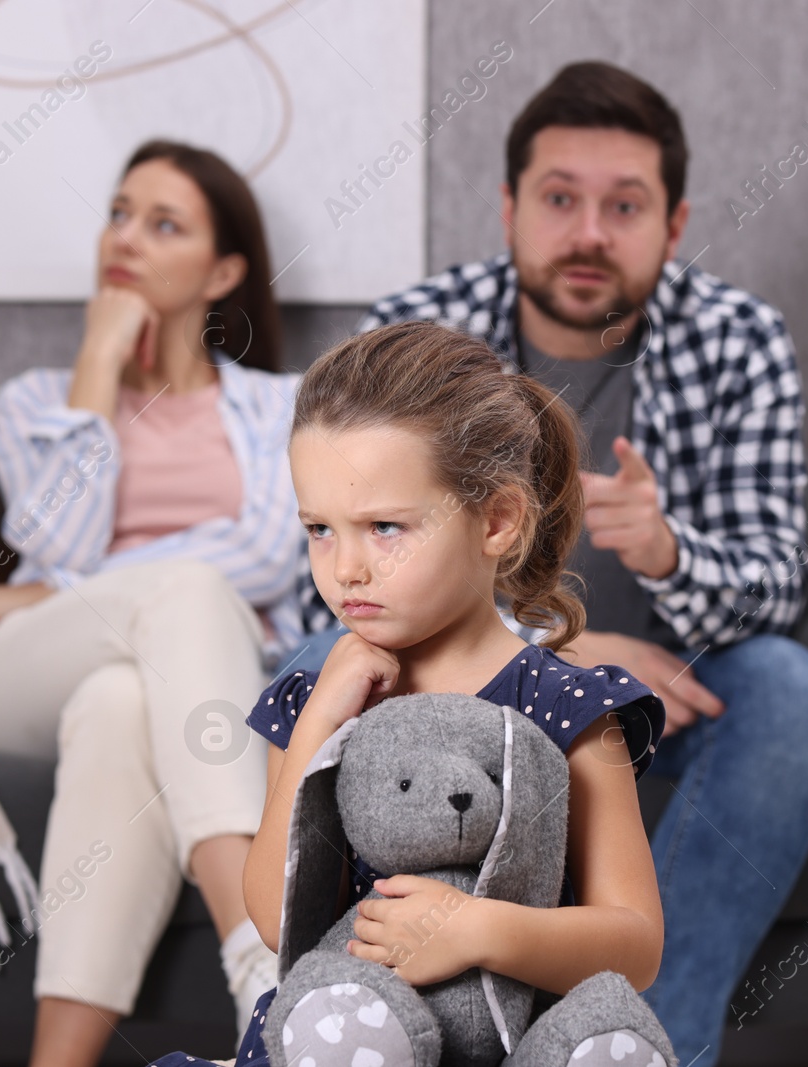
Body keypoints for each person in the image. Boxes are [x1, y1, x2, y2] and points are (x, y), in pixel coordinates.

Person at [291, 63, 808, 1064]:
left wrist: (669, 554)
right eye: (559, 199)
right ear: (509, 209)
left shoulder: (738, 340)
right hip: (477, 687)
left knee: (792, 685)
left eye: (623, 206)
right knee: (301, 658)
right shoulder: (419, 329)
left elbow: (777, 583)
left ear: (673, 227)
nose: (588, 232)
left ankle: (643, 1045)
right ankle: (352, 1010)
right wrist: (566, 645)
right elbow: (336, 581)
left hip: (676, 684)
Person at [151, 319, 671, 1067]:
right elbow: (275, 919)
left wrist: (478, 928)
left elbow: (635, 942)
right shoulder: (313, 702)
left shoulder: (571, 708)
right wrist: (319, 725)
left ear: (497, 519)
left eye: (385, 526)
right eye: (320, 529)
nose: (347, 568)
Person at [0, 140, 298, 1067]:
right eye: (119, 212)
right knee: (179, 594)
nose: (125, 238)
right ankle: (267, 968)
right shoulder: (35, 402)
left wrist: (43, 592)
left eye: (162, 224)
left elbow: (265, 550)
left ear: (223, 271)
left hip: (188, 684)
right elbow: (58, 540)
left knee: (124, 698)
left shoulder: (282, 407)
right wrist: (98, 357)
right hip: (25, 680)